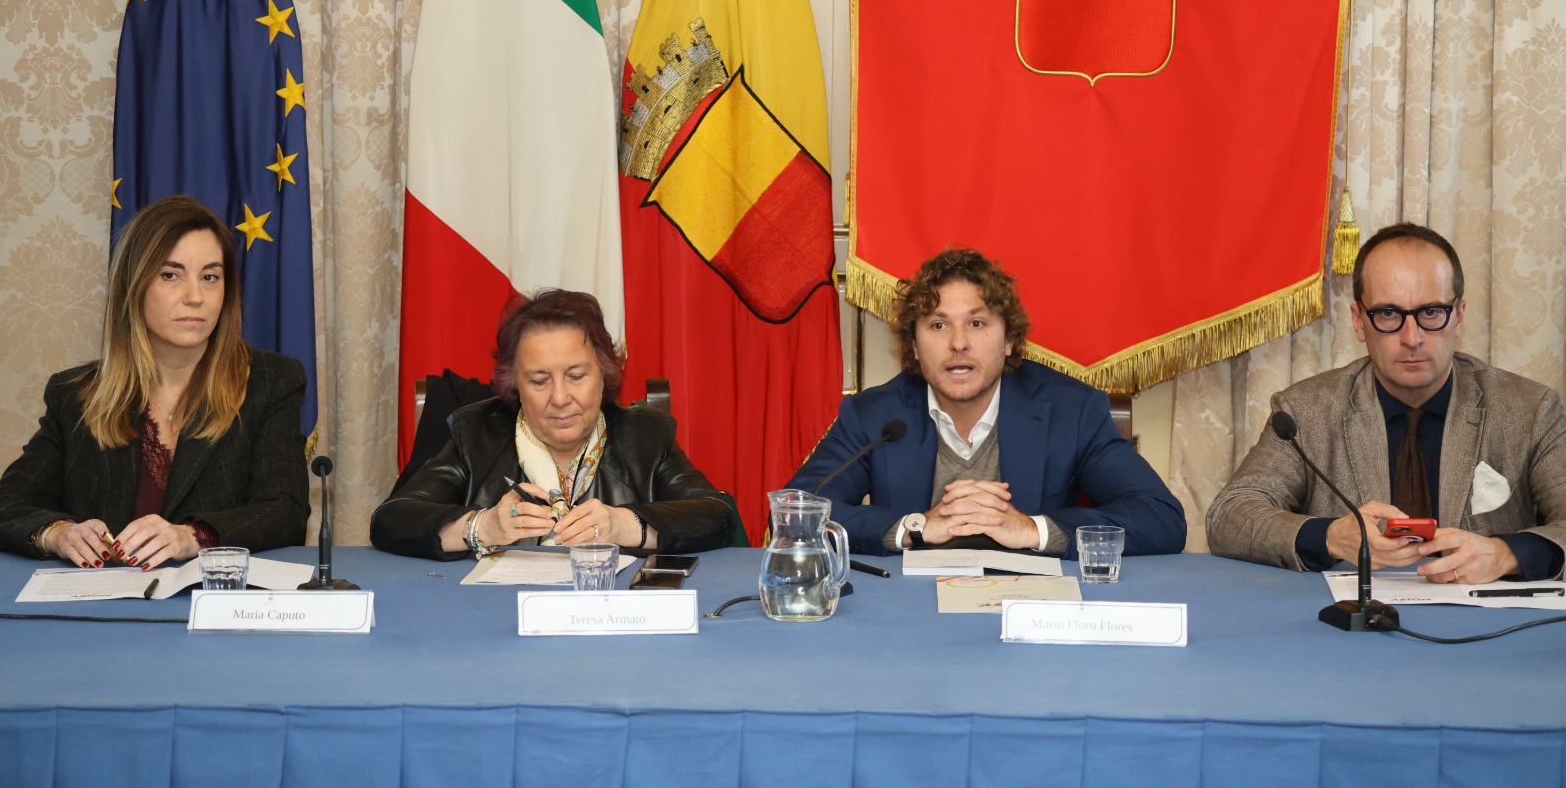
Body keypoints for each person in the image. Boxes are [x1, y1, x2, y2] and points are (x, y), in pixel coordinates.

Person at [1206, 222, 1566, 584]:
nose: (1412, 338)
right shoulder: (1305, 411)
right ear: (1359, 321)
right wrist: (1331, 537)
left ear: (1458, 317)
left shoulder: (1530, 410)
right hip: (1351, 615)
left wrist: (1507, 554)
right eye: (1389, 314)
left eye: (1431, 312)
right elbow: (1229, 516)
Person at [0, 195, 309, 567]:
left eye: (210, 277)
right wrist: (58, 533)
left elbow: (286, 512)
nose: (195, 297)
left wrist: (191, 536)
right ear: (135, 285)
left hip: (210, 595)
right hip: (104, 601)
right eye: (170, 275)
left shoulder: (270, 382)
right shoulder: (77, 396)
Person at [788, 248, 1186, 558]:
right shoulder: (874, 415)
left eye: (977, 323)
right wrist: (914, 526)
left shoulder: (1072, 411)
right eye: (938, 325)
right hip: (909, 612)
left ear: (1009, 340)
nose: (959, 343)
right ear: (915, 346)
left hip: (1031, 610)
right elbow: (795, 513)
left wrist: (1032, 529)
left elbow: (1160, 518)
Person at [371, 288, 733, 559]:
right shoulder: (476, 433)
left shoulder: (646, 436)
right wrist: (483, 527)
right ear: (515, 384)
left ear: (604, 374)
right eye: (539, 380)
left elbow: (717, 516)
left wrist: (625, 525)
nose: (560, 398)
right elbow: (391, 519)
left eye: (576, 376)